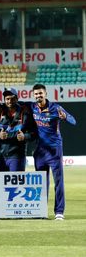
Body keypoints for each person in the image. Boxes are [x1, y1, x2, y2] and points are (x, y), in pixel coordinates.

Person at [31, 84, 76, 220]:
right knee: (41, 183)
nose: (39, 96)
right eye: (36, 94)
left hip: (54, 149)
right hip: (40, 150)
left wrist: (64, 118)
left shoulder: (56, 108)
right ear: (33, 95)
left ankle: (59, 212)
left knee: (58, 181)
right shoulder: (31, 107)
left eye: (41, 93)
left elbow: (73, 121)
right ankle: (41, 212)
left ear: (45, 94)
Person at [0, 88, 35, 172]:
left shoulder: (25, 113)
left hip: (17, 156)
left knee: (16, 185)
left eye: (12, 98)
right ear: (4, 100)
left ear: (17, 98)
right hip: (2, 156)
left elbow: (34, 133)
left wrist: (25, 136)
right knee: (2, 185)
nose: (10, 101)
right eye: (7, 99)